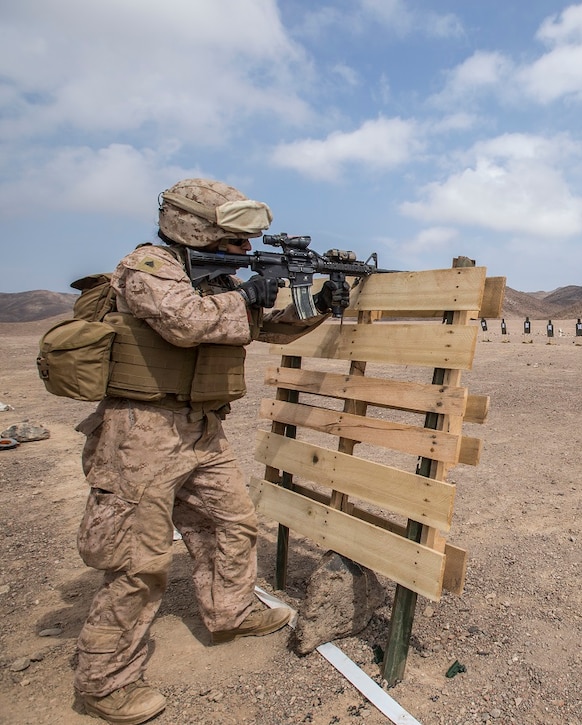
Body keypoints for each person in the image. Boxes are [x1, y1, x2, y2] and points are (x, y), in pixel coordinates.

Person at [72, 178, 349, 724]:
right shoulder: (148, 267)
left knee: (231, 523)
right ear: (196, 229)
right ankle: (104, 682)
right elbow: (186, 324)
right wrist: (246, 292)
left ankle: (230, 611)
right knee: (136, 561)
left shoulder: (217, 277)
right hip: (140, 433)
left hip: (202, 427)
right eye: (236, 242)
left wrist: (314, 303)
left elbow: (265, 329)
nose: (246, 254)